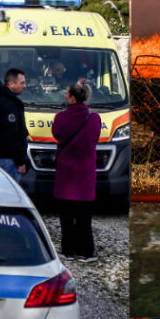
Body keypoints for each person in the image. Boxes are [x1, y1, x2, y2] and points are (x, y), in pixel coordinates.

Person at [53, 81, 102, 261]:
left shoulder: (60, 118)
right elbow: (95, 138)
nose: (65, 96)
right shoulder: (94, 119)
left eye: (67, 94)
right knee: (84, 215)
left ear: (72, 98)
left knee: (66, 214)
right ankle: (86, 251)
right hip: (86, 173)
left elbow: (57, 134)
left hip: (66, 172)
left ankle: (68, 250)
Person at [0, 68, 29, 181]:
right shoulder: (9, 104)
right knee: (10, 195)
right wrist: (21, 161)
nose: (25, 86)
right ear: (11, 84)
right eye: (22, 83)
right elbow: (12, 135)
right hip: (7, 160)